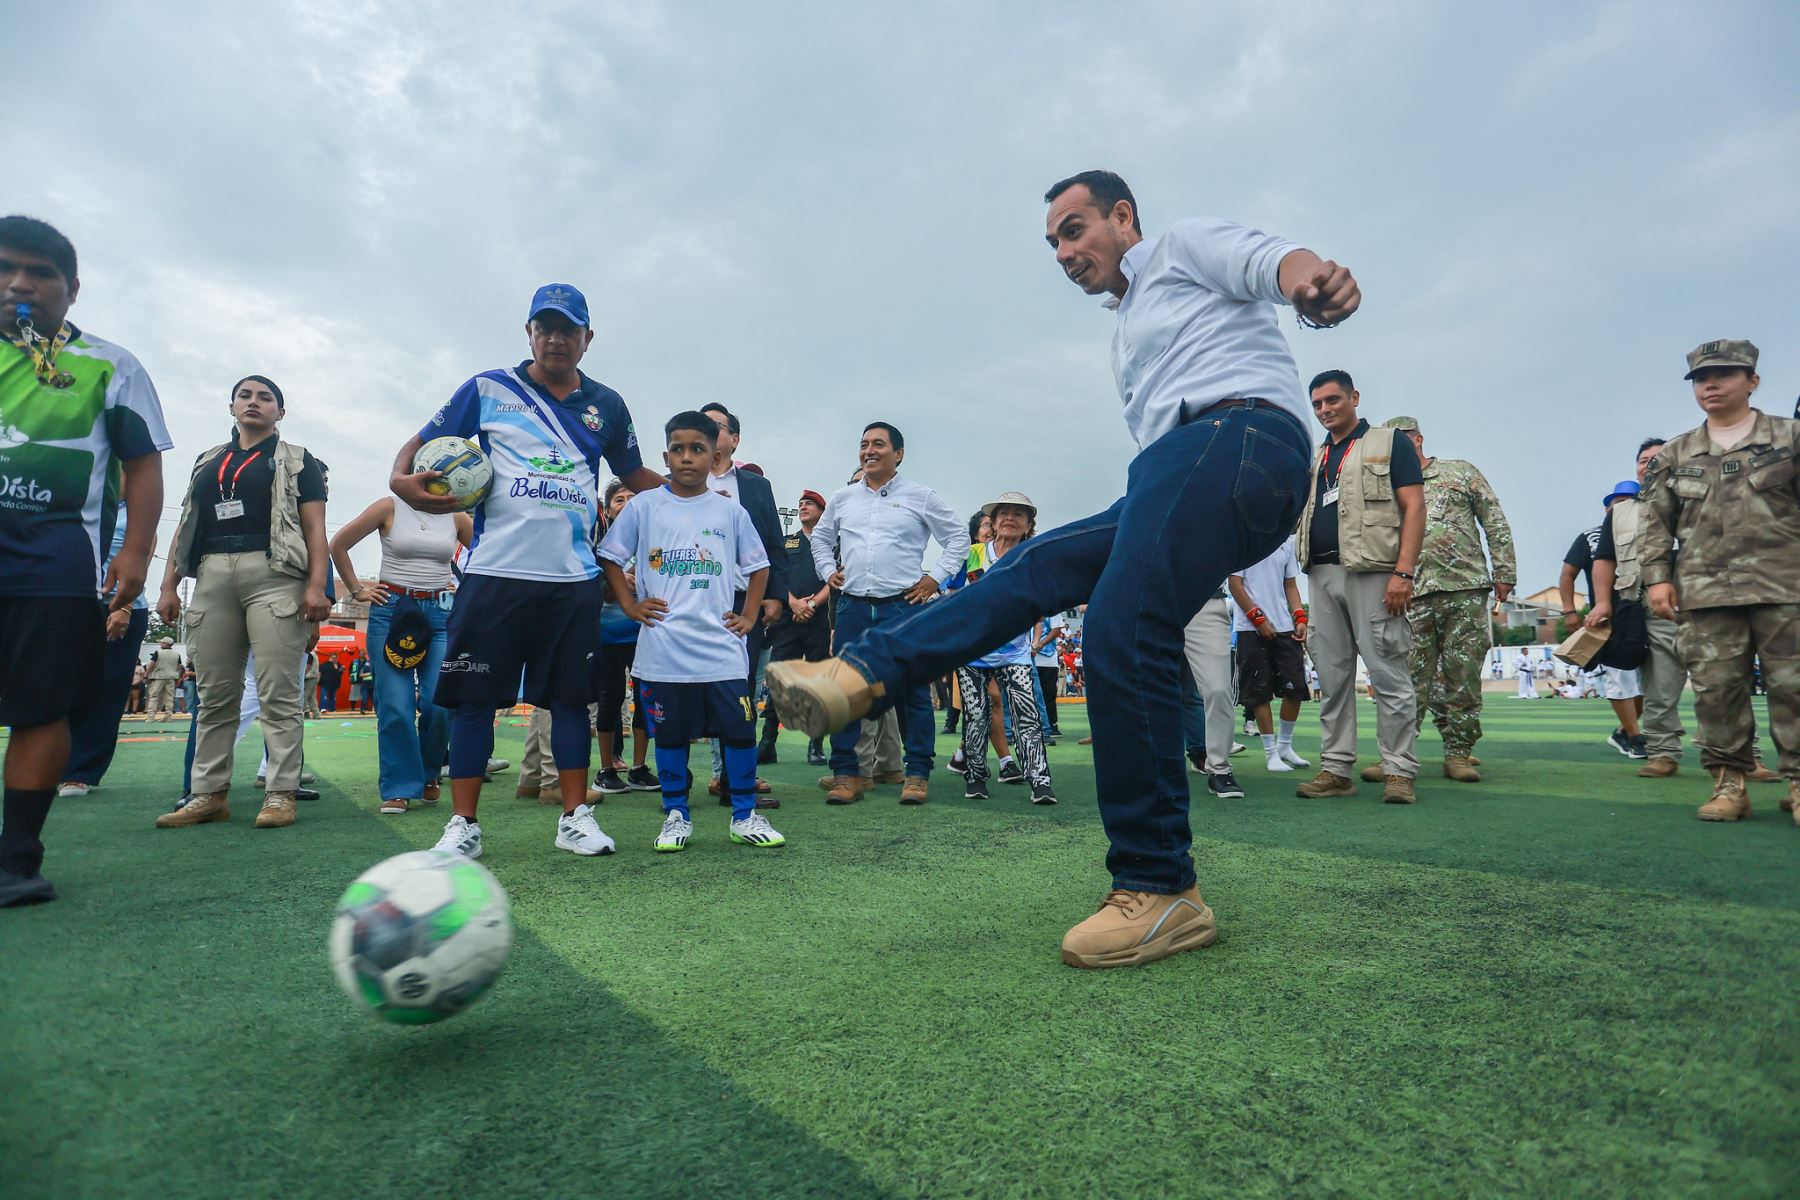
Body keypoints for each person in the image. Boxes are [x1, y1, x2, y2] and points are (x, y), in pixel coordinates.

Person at [767, 170, 1356, 968]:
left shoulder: (1179, 248)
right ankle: (855, 675)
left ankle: (1160, 886)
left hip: (1240, 439)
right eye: (1053, 242)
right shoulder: (1126, 326)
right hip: (1175, 471)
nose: (1064, 251)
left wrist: (1311, 283)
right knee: (1034, 565)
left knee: (1122, 624)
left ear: (1123, 217)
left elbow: (1271, 260)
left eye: (1074, 230)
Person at [389, 283, 664, 860]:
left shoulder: (607, 405)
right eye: (545, 327)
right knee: (472, 701)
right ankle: (463, 825)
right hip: (493, 575)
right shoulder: (490, 387)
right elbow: (417, 447)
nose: (556, 338)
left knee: (568, 701)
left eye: (568, 329)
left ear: (588, 339)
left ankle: (574, 817)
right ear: (529, 333)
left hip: (571, 581)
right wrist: (399, 480)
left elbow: (634, 474)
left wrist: (701, 497)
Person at [598, 412, 784, 851]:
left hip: (721, 647)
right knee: (671, 734)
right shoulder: (644, 506)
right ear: (665, 456)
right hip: (663, 648)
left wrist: (750, 616)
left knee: (738, 731)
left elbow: (758, 567)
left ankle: (744, 815)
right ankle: (676, 814)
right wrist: (629, 604)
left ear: (713, 454)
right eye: (678, 449)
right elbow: (609, 556)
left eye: (697, 449)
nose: (687, 458)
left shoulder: (728, 509)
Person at [155, 374, 329, 831]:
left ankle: (280, 792)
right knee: (215, 694)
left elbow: (315, 530)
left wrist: (317, 587)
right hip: (211, 571)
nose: (254, 403)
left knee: (278, 692)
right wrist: (168, 585)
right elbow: (186, 523)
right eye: (245, 396)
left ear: (280, 412)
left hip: (274, 576)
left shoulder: (299, 461)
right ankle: (208, 794)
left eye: (266, 397)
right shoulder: (208, 460)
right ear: (231, 406)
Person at [1638, 339, 1800, 822]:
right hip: (1706, 591)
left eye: (1725, 374)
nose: (1710, 385)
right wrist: (1656, 580)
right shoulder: (1676, 452)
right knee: (1717, 691)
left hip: (1785, 584)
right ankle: (1729, 784)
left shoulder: (1789, 438)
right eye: (1700, 379)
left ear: (1752, 381)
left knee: (1795, 686)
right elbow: (1655, 523)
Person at [805, 421, 969, 806]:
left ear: (899, 454)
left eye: (879, 444)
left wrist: (935, 579)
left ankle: (916, 775)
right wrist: (829, 572)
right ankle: (847, 775)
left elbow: (959, 537)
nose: (869, 451)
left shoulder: (920, 496)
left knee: (913, 692)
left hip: (903, 606)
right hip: (853, 607)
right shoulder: (843, 498)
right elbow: (822, 540)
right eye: (863, 445)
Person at [1291, 371, 1426, 803]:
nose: (1325, 410)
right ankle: (1336, 768)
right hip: (1322, 574)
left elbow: (1414, 505)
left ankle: (1399, 770)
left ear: (1354, 397)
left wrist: (1403, 573)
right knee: (1331, 677)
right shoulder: (1316, 457)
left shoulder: (1388, 442)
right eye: (1317, 405)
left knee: (1387, 672)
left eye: (1332, 400)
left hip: (1375, 573)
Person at [1385, 415, 1515, 783]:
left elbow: (1495, 519)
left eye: (1404, 441)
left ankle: (1458, 752)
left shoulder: (1459, 472)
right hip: (1411, 594)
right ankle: (1399, 755)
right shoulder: (1387, 488)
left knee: (1462, 675)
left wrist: (1505, 572)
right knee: (1406, 678)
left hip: (1464, 588)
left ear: (1419, 440)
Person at [329, 491, 472, 814]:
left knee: (439, 701)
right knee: (395, 704)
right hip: (391, 609)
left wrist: (466, 588)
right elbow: (338, 544)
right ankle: (398, 786)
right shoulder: (388, 506)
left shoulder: (457, 515)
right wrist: (356, 590)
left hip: (439, 611)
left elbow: (487, 553)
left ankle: (429, 772)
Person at [697, 403, 787, 803]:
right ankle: (691, 775)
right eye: (704, 426)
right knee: (691, 686)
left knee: (740, 688)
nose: (711, 433)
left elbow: (772, 544)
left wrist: (773, 595)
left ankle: (734, 776)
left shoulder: (756, 487)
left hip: (742, 601)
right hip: (693, 599)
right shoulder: (678, 482)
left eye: (718, 427)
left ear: (735, 438)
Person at [949, 493, 1057, 805]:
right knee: (976, 715)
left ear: (1028, 525)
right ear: (993, 522)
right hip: (973, 651)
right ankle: (976, 776)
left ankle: (1040, 780)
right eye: (1003, 514)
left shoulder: (1032, 556)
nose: (1010, 518)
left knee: (1027, 716)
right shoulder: (973, 554)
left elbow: (1043, 601)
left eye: (1018, 515)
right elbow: (953, 592)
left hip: (1016, 651)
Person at [58, 489, 156, 798]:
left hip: (123, 606)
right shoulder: (80, 500)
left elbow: (143, 558)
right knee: (59, 684)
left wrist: (123, 606)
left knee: (107, 689)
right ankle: (51, 763)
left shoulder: (139, 512)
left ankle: (80, 772)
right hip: (71, 601)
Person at [1575, 483, 1651, 759]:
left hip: (1644, 611)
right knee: (1620, 678)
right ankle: (1634, 736)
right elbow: (1567, 572)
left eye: (1627, 500)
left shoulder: (1651, 527)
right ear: (1607, 507)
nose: (1620, 505)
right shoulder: (1592, 537)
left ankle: (1624, 730)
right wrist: (1570, 612)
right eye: (1616, 501)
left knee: (1647, 683)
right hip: (1609, 617)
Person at [592, 481, 658, 795]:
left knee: (646, 699)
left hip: (645, 632)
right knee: (611, 698)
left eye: (634, 497)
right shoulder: (600, 549)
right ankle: (606, 769)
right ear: (607, 510)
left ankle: (639, 768)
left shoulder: (653, 542)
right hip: (607, 635)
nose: (629, 503)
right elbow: (603, 591)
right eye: (620, 500)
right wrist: (621, 581)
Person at [1226, 535, 1312, 774]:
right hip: (1250, 628)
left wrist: (1299, 616)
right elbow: (1235, 584)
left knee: (1295, 687)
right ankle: (1271, 753)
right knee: (1259, 691)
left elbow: (1290, 584)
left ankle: (1285, 746)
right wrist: (1257, 618)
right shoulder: (1244, 538)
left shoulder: (1287, 540)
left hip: (1285, 626)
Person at [760, 488, 833, 767]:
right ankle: (767, 743)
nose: (803, 506)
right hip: (789, 621)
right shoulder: (787, 542)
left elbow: (836, 577)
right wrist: (793, 603)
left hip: (820, 622)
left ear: (822, 512)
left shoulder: (831, 543)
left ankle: (816, 745)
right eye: (801, 503)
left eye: (810, 504)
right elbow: (776, 574)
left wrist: (812, 605)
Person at [144, 636, 182, 719]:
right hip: (171, 677)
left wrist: (146, 674)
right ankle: (168, 716)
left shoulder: (158, 652)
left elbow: (152, 664)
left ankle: (151, 717)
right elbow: (179, 667)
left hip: (159, 677)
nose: (160, 643)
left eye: (162, 642)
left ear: (166, 643)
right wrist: (178, 678)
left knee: (154, 696)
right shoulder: (177, 654)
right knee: (169, 697)